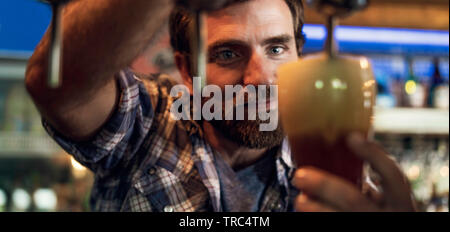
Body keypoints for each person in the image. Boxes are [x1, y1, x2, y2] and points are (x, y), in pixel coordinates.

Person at [25, 0, 416, 212]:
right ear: (184, 67)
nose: (261, 78)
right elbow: (58, 87)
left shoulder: (347, 173)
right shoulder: (149, 121)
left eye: (277, 48)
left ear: (300, 53)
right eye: (228, 53)